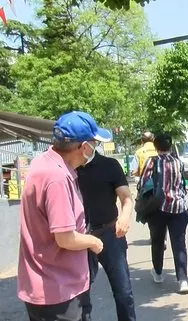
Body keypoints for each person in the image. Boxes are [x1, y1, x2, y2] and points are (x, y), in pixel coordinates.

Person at [17, 111, 110, 321]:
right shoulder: (57, 177)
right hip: (57, 290)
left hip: (48, 286)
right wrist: (93, 242)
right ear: (83, 146)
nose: (95, 149)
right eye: (95, 144)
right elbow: (65, 238)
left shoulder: (44, 162)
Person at [77, 148, 136, 321]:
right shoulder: (68, 168)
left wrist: (125, 216)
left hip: (109, 233)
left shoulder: (109, 165)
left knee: (123, 292)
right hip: (78, 238)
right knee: (80, 295)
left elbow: (126, 196)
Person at [138, 133, 188, 294]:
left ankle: (158, 273)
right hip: (179, 208)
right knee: (179, 244)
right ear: (170, 145)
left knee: (158, 242)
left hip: (158, 209)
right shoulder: (178, 162)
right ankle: (182, 281)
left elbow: (141, 183)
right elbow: (182, 184)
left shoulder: (152, 162)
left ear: (156, 146)